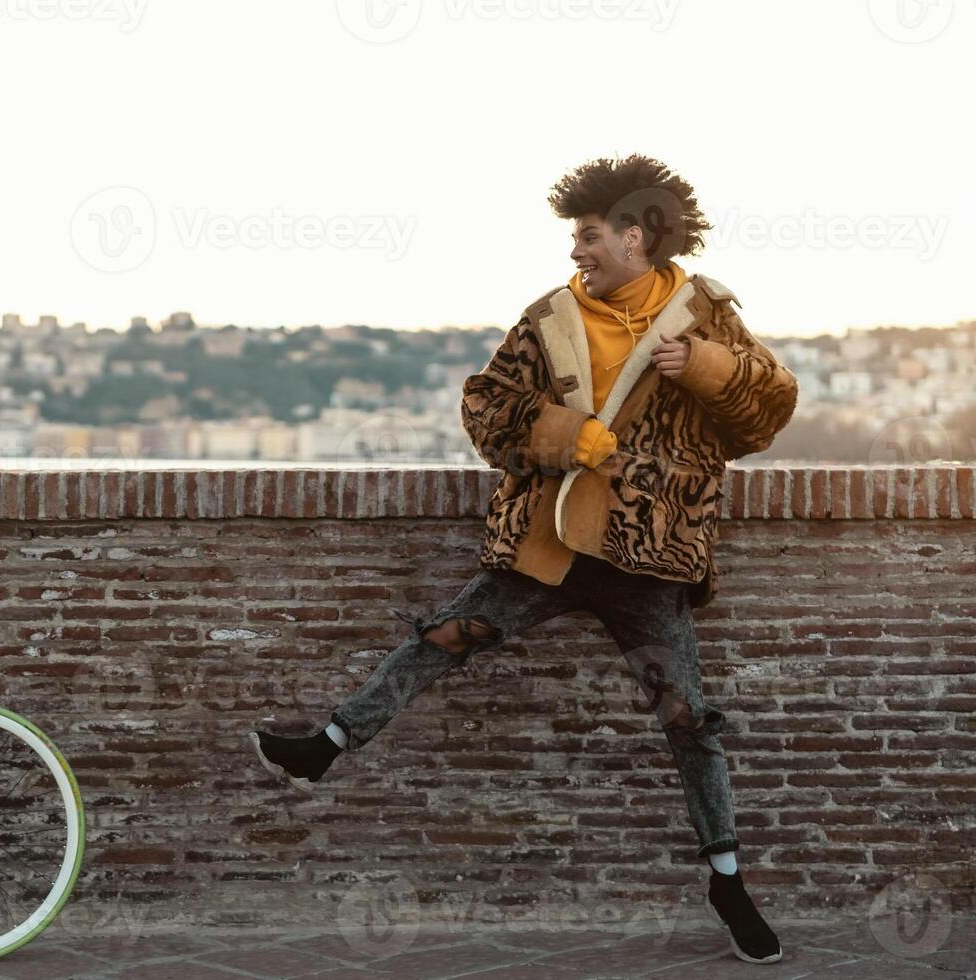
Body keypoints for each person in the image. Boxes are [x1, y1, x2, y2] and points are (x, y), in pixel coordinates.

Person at [251, 154, 798, 965]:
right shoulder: (546, 319)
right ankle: (324, 747)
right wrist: (563, 437)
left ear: (637, 236)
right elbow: (485, 412)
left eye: (586, 236)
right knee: (443, 636)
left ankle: (726, 882)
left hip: (650, 558)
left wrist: (710, 369)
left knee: (687, 721)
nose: (575, 252)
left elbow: (768, 412)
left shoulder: (706, 315)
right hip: (551, 540)